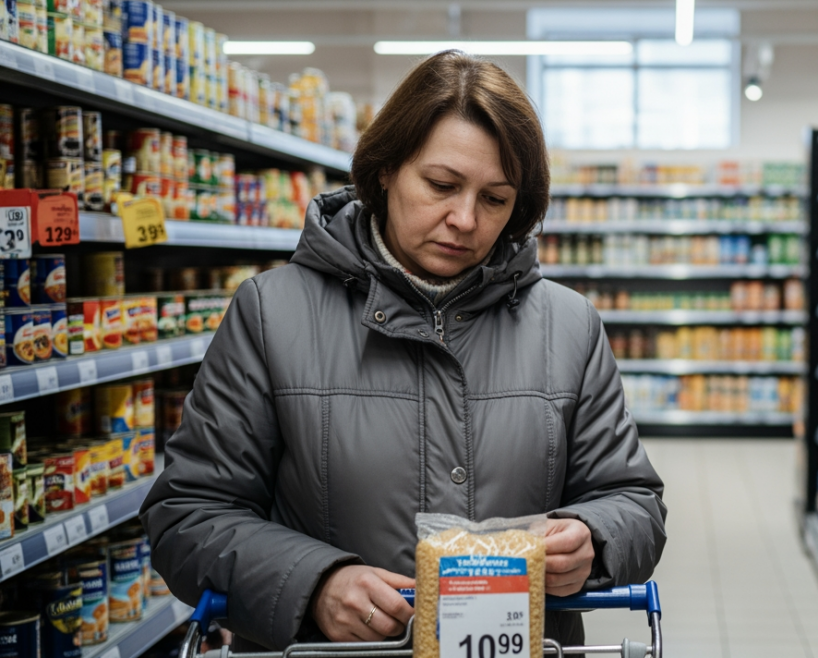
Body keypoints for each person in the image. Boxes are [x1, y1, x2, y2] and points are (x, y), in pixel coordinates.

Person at [140, 51, 668, 650]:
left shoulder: (569, 326)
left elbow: (635, 502)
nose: (464, 219)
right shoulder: (271, 313)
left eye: (494, 199)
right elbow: (187, 517)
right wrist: (314, 582)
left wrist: (594, 538)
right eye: (441, 185)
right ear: (387, 168)